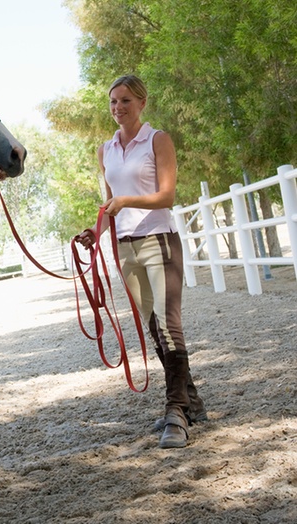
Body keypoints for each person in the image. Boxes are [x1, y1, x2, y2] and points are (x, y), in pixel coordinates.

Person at [77, 75, 207, 449]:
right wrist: (95, 229)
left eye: (125, 101)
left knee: (169, 325)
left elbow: (166, 196)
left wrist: (126, 202)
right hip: (124, 247)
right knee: (153, 327)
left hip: (158, 242)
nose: (118, 108)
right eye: (113, 102)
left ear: (142, 103)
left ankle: (175, 413)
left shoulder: (157, 140)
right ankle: (190, 400)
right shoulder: (106, 150)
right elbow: (109, 202)